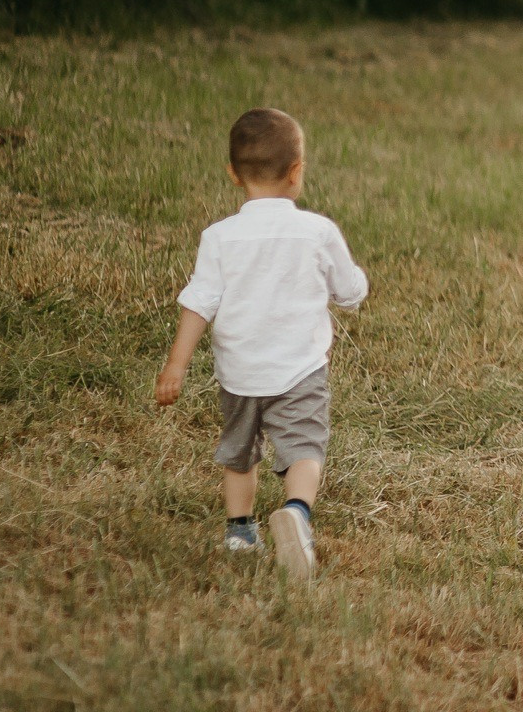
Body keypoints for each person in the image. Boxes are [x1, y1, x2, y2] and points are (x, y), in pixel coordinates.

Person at [157, 107, 369, 582]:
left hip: (239, 373)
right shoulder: (317, 231)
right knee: (304, 446)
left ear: (233, 174)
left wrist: (176, 365)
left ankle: (239, 531)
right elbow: (349, 290)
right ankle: (297, 512)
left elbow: (199, 303)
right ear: (296, 172)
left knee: (239, 452)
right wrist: (356, 285)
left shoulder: (218, 238)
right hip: (299, 371)